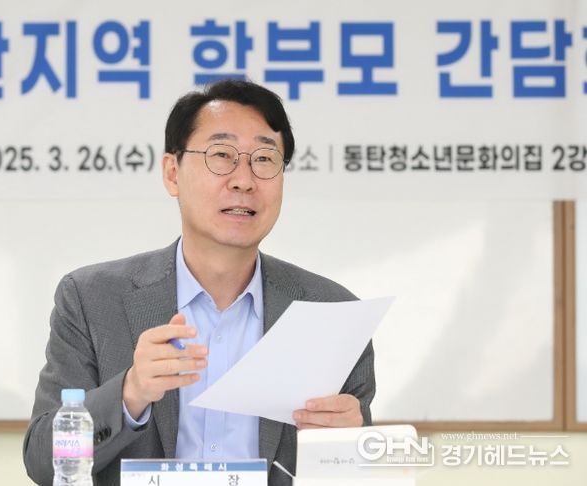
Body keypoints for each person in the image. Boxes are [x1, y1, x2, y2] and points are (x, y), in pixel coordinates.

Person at [23, 79, 375, 486]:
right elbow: (43, 463)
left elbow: (357, 470)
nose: (244, 180)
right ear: (172, 173)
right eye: (221, 155)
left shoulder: (331, 312)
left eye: (264, 159)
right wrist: (130, 392)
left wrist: (351, 446)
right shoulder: (92, 299)